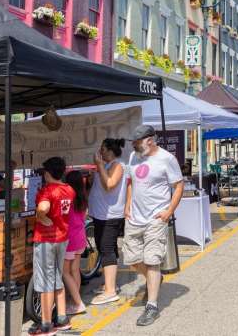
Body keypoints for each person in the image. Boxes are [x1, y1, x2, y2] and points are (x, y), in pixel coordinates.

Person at [124, 125, 184, 327]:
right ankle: (155, 280)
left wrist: (168, 212)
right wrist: (127, 205)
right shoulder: (133, 157)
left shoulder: (166, 158)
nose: (133, 145)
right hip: (134, 218)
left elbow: (178, 186)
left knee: (152, 261)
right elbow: (130, 181)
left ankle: (152, 306)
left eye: (136, 142)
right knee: (131, 259)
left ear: (150, 140)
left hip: (155, 219)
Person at [30, 157, 75, 335]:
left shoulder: (47, 191)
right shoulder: (69, 190)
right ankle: (62, 317)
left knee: (44, 280)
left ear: (48, 173)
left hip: (46, 239)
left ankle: (46, 323)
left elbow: (43, 208)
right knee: (56, 276)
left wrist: (42, 217)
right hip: (62, 238)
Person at [89, 138, 128, 306]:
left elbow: (109, 184)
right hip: (100, 214)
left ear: (110, 150)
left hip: (110, 216)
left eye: (102, 149)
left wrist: (98, 165)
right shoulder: (105, 166)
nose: (100, 152)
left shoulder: (118, 166)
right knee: (105, 247)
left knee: (106, 249)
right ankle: (109, 284)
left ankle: (110, 291)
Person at [63, 169, 88, 316]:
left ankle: (78, 303)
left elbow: (62, 216)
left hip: (69, 238)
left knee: (65, 272)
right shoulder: (83, 197)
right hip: (80, 237)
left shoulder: (68, 198)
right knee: (74, 270)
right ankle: (74, 301)